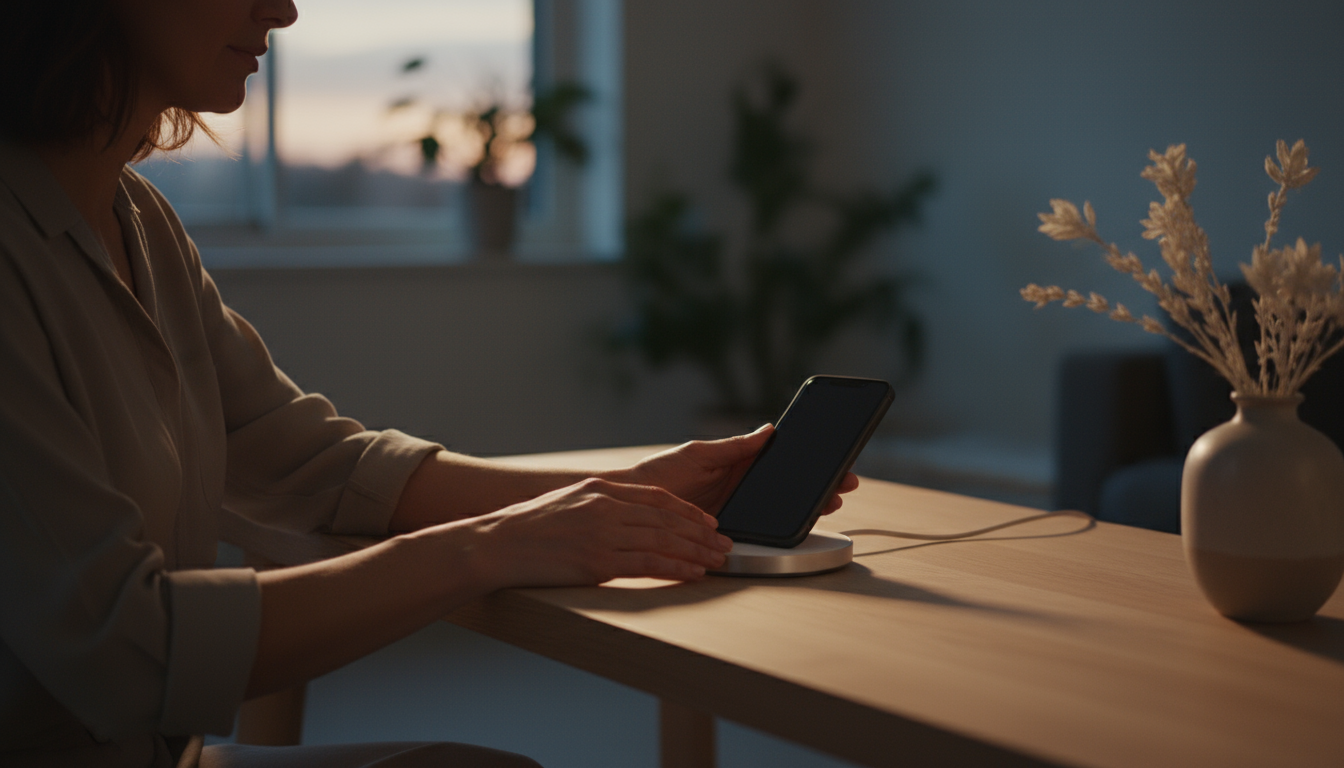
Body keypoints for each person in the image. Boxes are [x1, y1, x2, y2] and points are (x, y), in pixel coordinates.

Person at [0, 1, 860, 767]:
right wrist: (489, 546)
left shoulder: (141, 221)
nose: (285, 11)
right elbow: (128, 649)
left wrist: (634, 490)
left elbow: (321, 465)